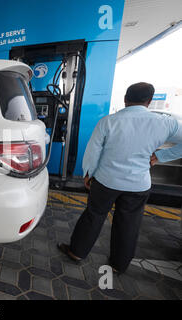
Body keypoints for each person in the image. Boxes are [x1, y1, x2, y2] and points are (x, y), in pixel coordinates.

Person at [57, 82, 182, 274]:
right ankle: (118, 264)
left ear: (125, 99)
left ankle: (77, 252)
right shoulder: (165, 122)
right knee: (129, 223)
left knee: (94, 215)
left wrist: (89, 173)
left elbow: (93, 151)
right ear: (149, 101)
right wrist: (161, 156)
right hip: (139, 184)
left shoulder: (108, 121)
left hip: (106, 181)